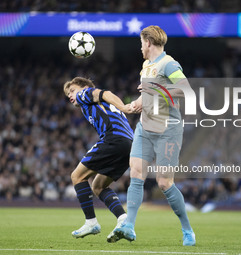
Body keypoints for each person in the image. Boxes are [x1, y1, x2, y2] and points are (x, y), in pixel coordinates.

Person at [113, 25, 196, 246]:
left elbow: (186, 90)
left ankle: (187, 229)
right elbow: (146, 95)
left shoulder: (169, 64)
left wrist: (156, 90)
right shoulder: (146, 66)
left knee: (164, 182)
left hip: (168, 129)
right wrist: (133, 105)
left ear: (148, 42)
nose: (140, 47)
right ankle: (129, 226)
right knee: (137, 174)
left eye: (141, 42)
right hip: (145, 127)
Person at [63, 77, 134, 242]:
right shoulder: (94, 106)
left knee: (77, 176)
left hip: (113, 139)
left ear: (84, 87)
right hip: (128, 144)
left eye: (72, 90)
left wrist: (124, 106)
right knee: (98, 186)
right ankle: (123, 220)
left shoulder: (85, 94)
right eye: (68, 94)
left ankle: (91, 222)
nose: (70, 96)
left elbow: (106, 93)